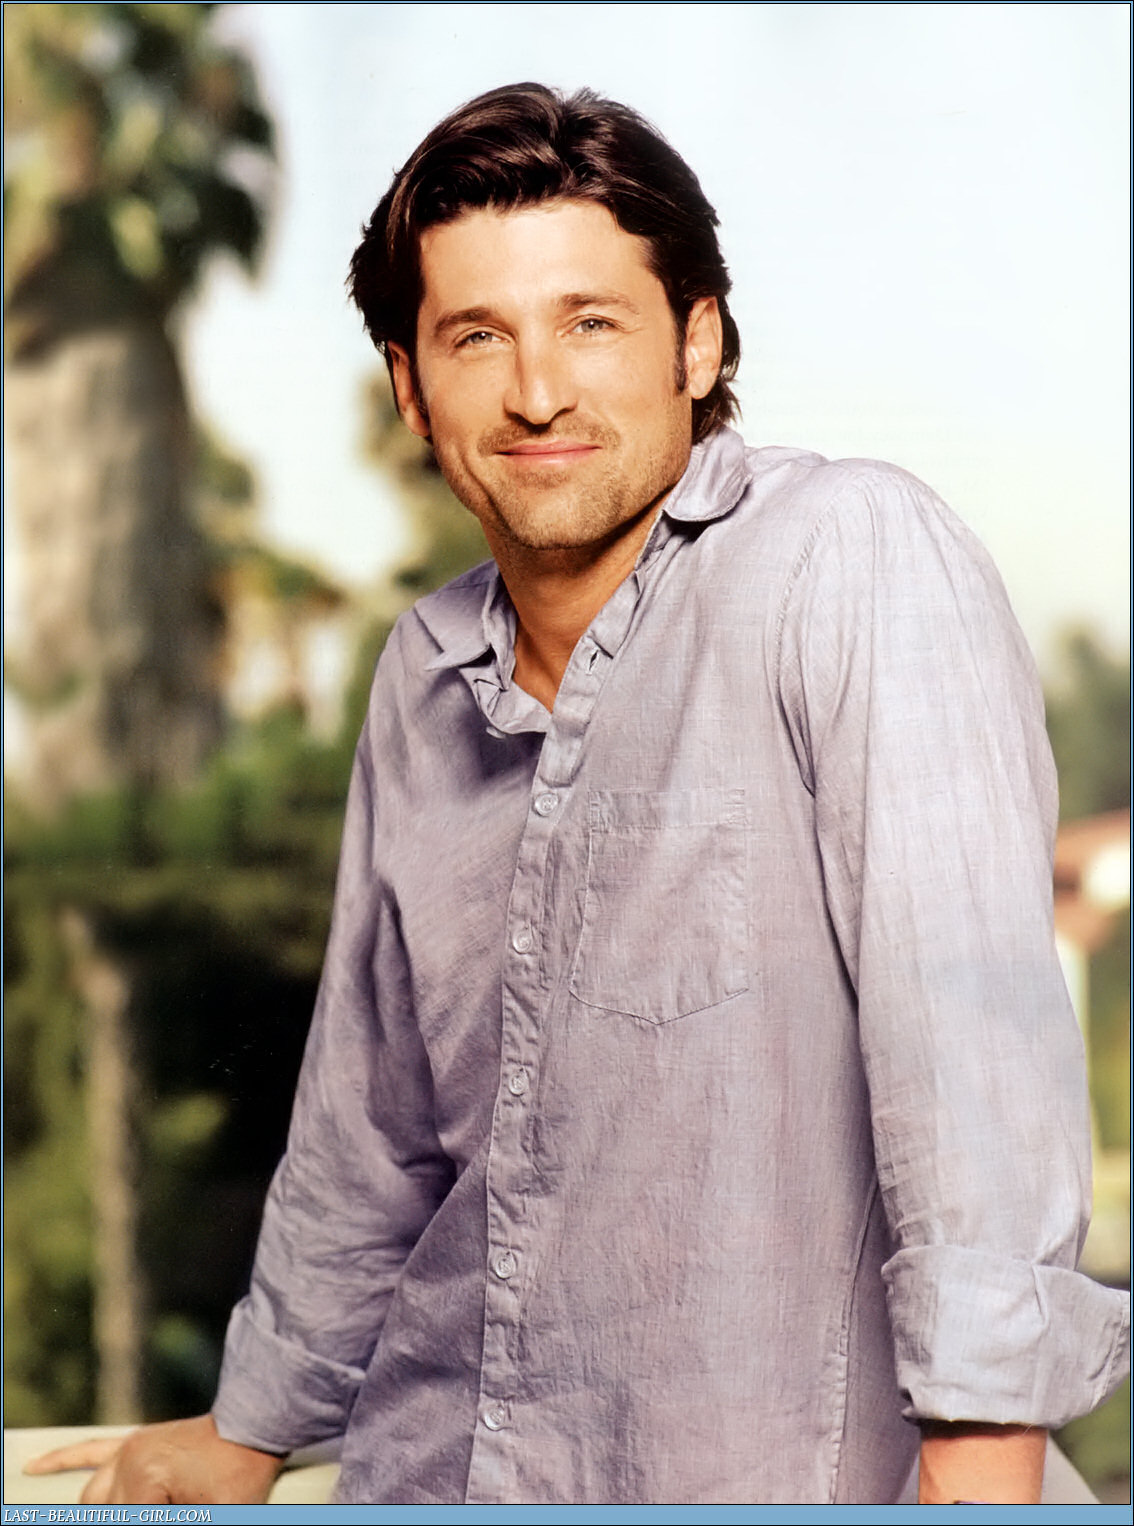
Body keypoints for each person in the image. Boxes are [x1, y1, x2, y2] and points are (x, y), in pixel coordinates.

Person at [30, 82, 1129, 1506]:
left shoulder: (848, 559)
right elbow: (371, 1130)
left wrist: (977, 1483)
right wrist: (248, 1428)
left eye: (591, 322)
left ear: (696, 342)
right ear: (409, 384)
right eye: (476, 336)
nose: (536, 391)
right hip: (436, 1476)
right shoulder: (421, 671)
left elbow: (971, 1067)